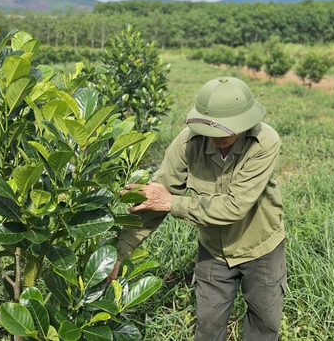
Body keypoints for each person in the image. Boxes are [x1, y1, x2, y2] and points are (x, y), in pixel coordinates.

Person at [113, 76, 286, 341]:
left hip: (261, 248)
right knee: (207, 326)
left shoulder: (264, 142)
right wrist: (118, 255)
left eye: (224, 129)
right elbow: (153, 201)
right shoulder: (187, 144)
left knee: (265, 325)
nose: (216, 137)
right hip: (213, 250)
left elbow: (234, 206)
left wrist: (172, 203)